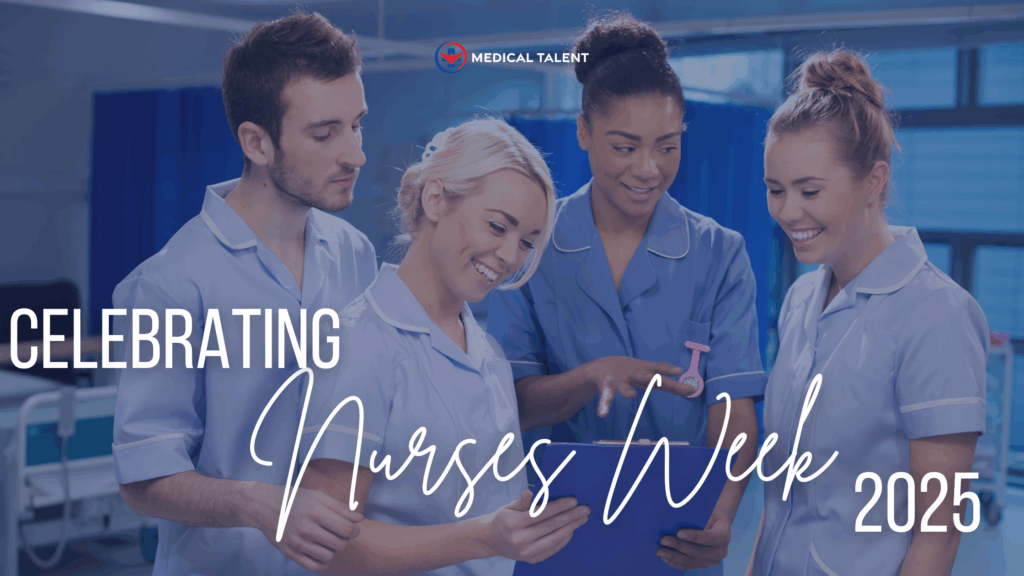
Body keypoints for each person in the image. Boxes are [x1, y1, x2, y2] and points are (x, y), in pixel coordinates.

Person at [486, 12, 764, 573]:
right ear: (584, 133)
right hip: (554, 536)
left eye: (667, 146)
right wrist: (591, 378)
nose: (648, 169)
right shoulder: (533, 243)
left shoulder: (719, 253)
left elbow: (732, 406)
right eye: (625, 146)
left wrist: (722, 511)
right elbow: (509, 404)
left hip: (676, 538)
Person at [113, 12, 377, 576]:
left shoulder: (356, 254)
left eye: (357, 125)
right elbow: (144, 478)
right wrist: (261, 505)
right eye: (325, 134)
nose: (354, 155)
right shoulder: (169, 284)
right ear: (256, 142)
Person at [298, 118, 590, 576]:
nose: (511, 256)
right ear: (435, 199)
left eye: (527, 242)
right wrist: (483, 537)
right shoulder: (360, 342)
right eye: (498, 227)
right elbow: (326, 547)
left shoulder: (488, 354)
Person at [747, 50, 987, 576]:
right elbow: (780, 502)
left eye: (810, 190)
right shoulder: (799, 302)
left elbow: (937, 536)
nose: (789, 212)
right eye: (775, 190)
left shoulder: (935, 315)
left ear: (874, 181)